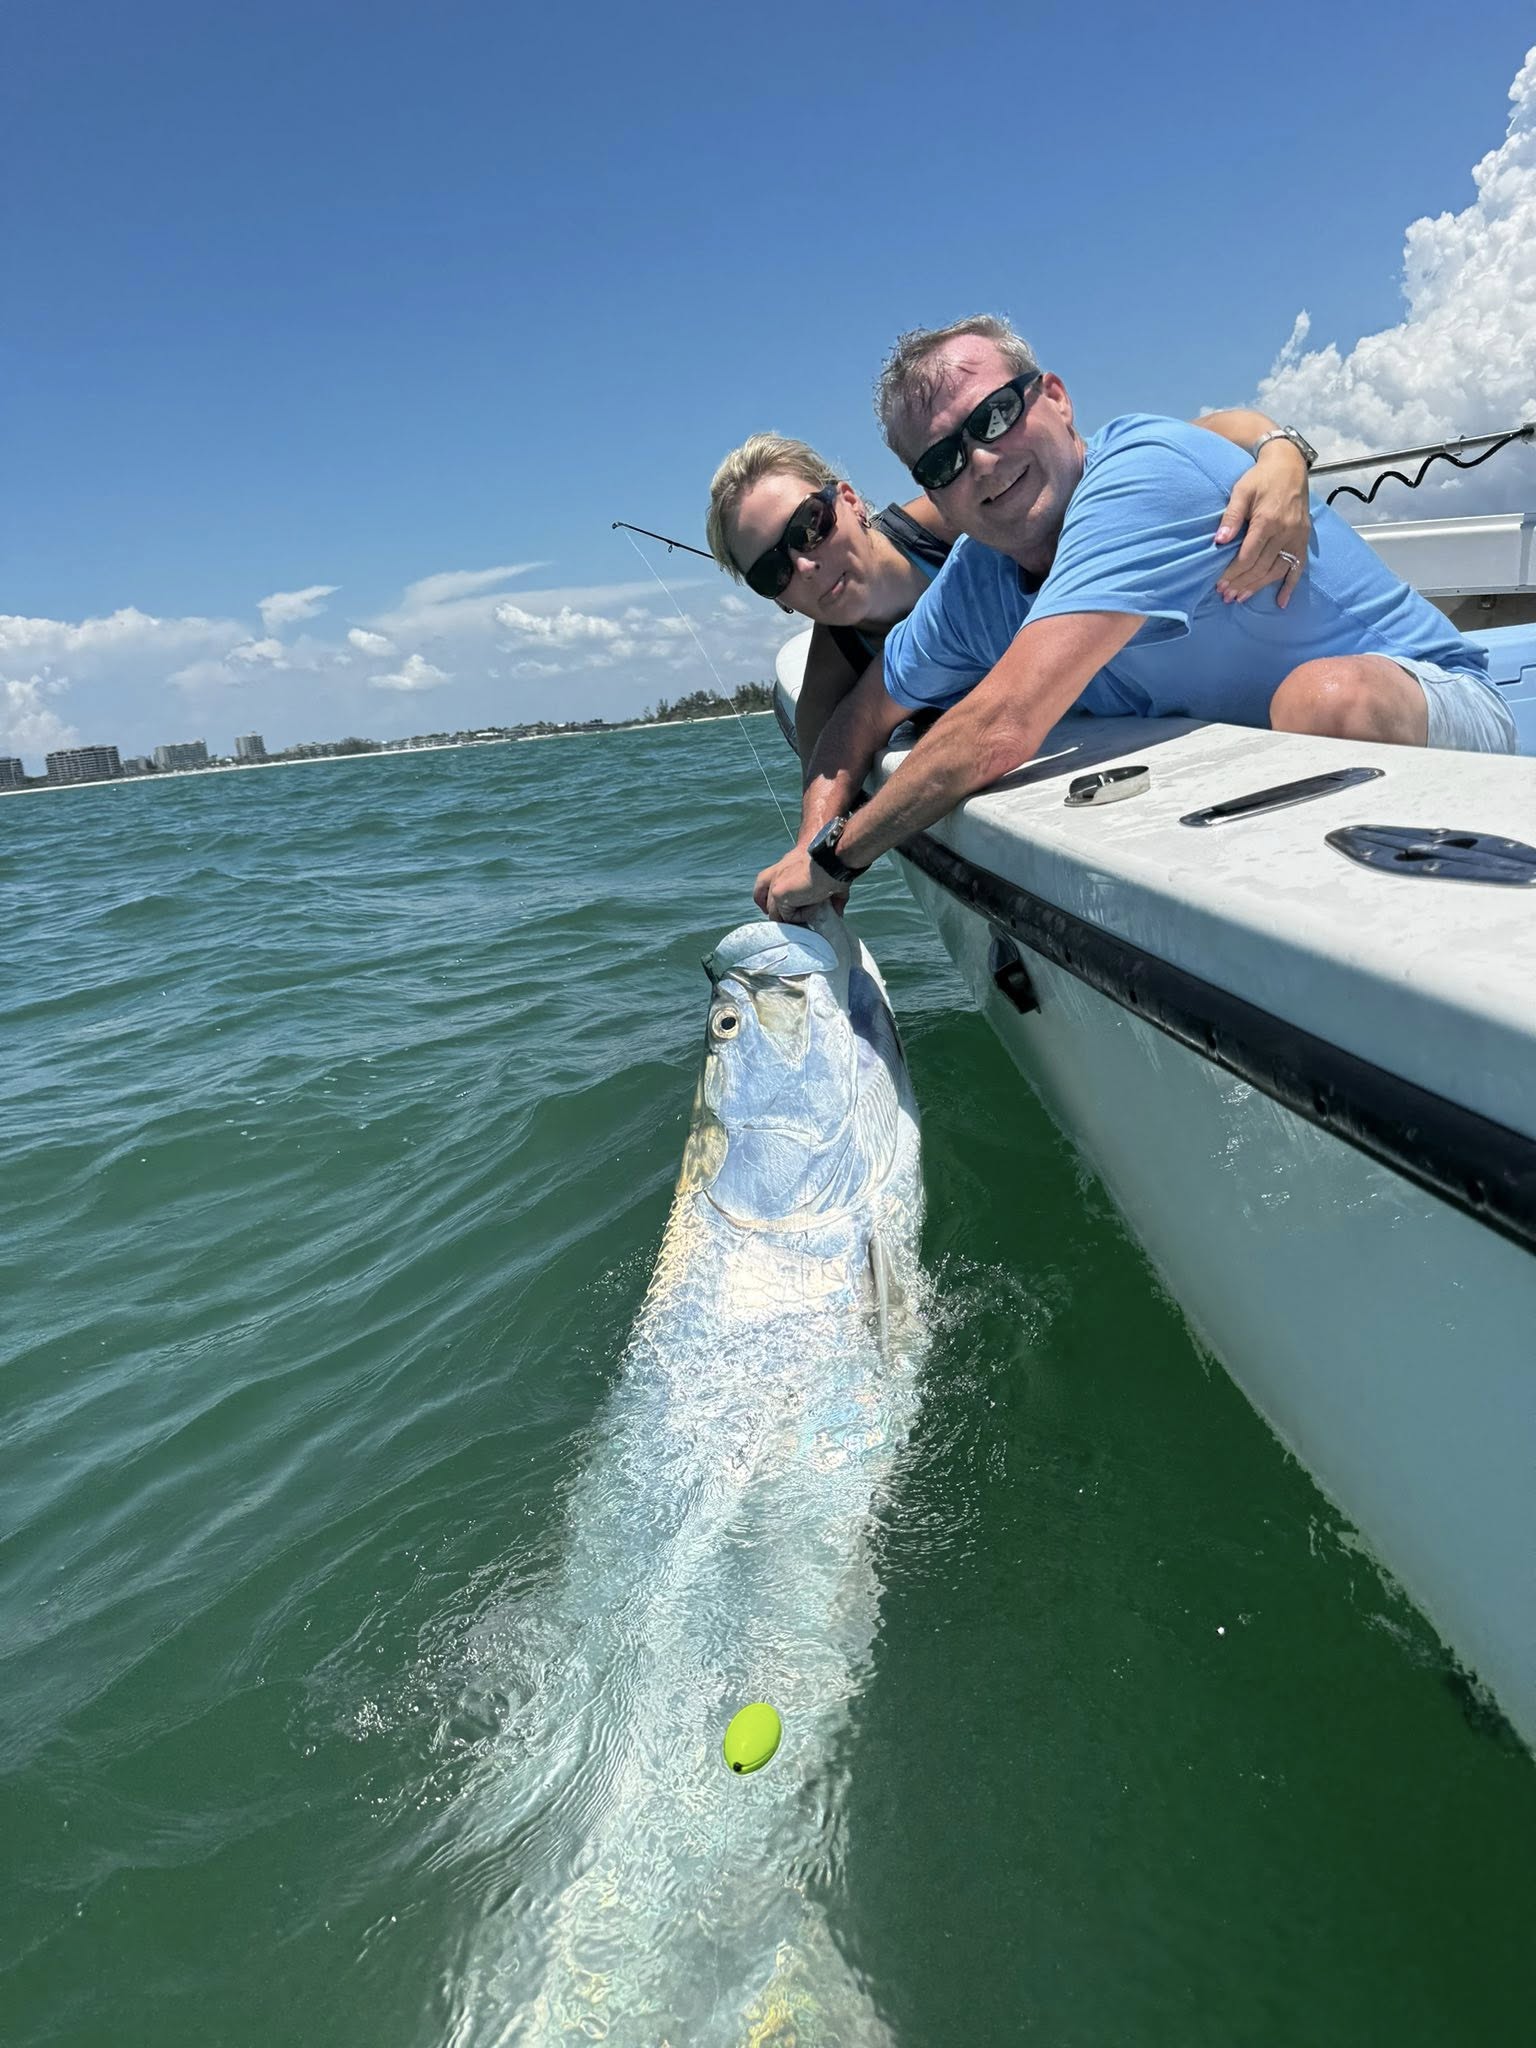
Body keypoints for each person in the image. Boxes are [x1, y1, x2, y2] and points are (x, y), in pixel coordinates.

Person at [757, 315, 1515, 921]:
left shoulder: (1139, 480)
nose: (980, 463)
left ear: (1055, 396)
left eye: (993, 418)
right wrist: (809, 845)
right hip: (1261, 768)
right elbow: (857, 718)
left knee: (1324, 701)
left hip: (1439, 714)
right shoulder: (973, 582)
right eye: (942, 462)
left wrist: (839, 859)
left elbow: (1001, 723)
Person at [706, 409, 1312, 772]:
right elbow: (825, 775)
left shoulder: (953, 519)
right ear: (776, 599)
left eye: (808, 526)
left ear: (848, 501)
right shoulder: (834, 674)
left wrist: (1282, 454)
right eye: (771, 572)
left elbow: (1152, 447)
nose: (804, 565)